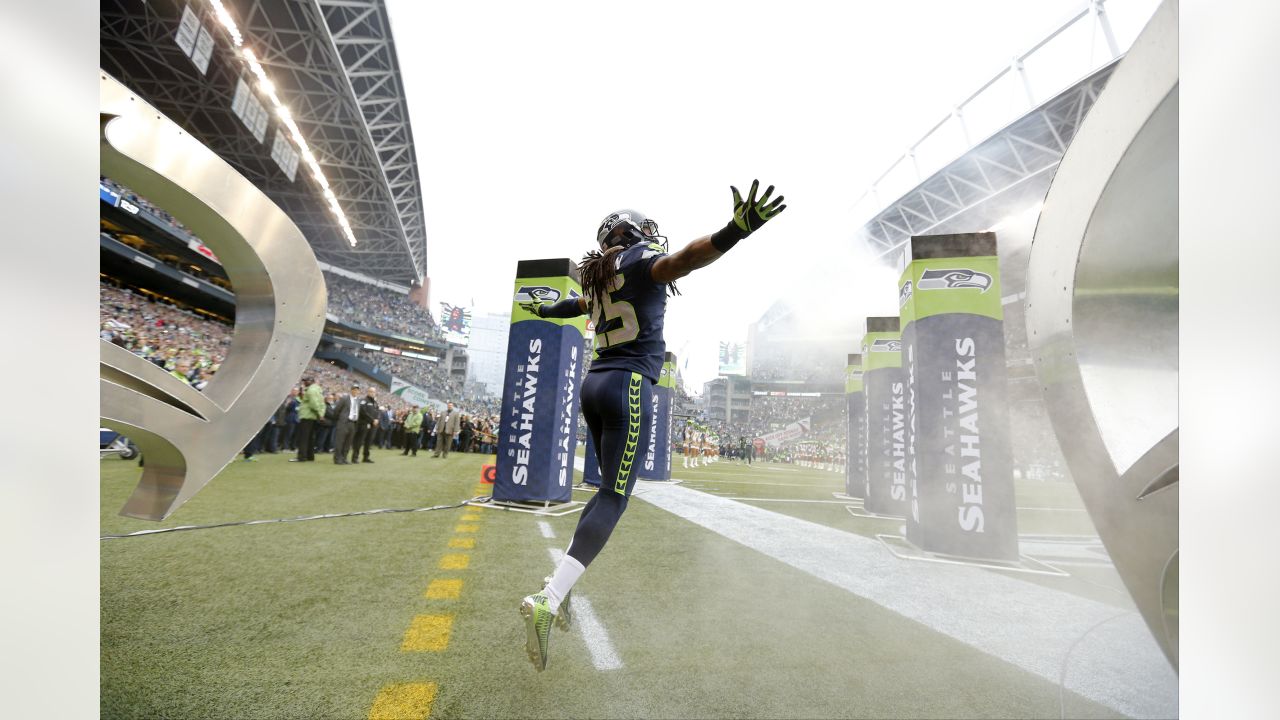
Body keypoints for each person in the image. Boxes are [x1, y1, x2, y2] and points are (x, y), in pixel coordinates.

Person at [514, 181, 786, 671]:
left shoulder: (598, 277)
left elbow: (571, 308)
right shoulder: (640, 262)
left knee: (602, 492)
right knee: (616, 497)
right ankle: (549, 600)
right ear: (634, 232)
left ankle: (564, 587)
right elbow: (684, 259)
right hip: (628, 386)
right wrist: (735, 231)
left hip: (593, 386)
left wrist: (540, 308)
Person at [291, 378, 324, 462]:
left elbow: (313, 404)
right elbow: (321, 404)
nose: (304, 383)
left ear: (311, 382)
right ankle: (310, 456)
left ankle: (302, 456)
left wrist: (319, 413)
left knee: (303, 438)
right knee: (310, 438)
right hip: (312, 416)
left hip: (307, 416)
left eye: (306, 381)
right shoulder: (318, 390)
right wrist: (320, 413)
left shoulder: (311, 390)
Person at [332, 384, 360, 464]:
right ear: (351, 390)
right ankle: (337, 459)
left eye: (357, 390)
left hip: (353, 423)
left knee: (348, 442)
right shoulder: (344, 398)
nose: (355, 391)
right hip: (344, 422)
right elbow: (337, 410)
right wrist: (340, 419)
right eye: (354, 389)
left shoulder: (358, 400)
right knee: (340, 441)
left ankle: (344, 458)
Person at [355, 386, 379, 463]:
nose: (372, 393)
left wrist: (377, 419)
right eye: (371, 391)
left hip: (372, 425)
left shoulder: (375, 403)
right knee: (359, 441)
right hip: (364, 424)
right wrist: (372, 420)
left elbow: (377, 412)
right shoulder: (364, 400)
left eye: (373, 392)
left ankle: (366, 457)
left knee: (368, 442)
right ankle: (355, 457)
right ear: (368, 392)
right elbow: (363, 411)